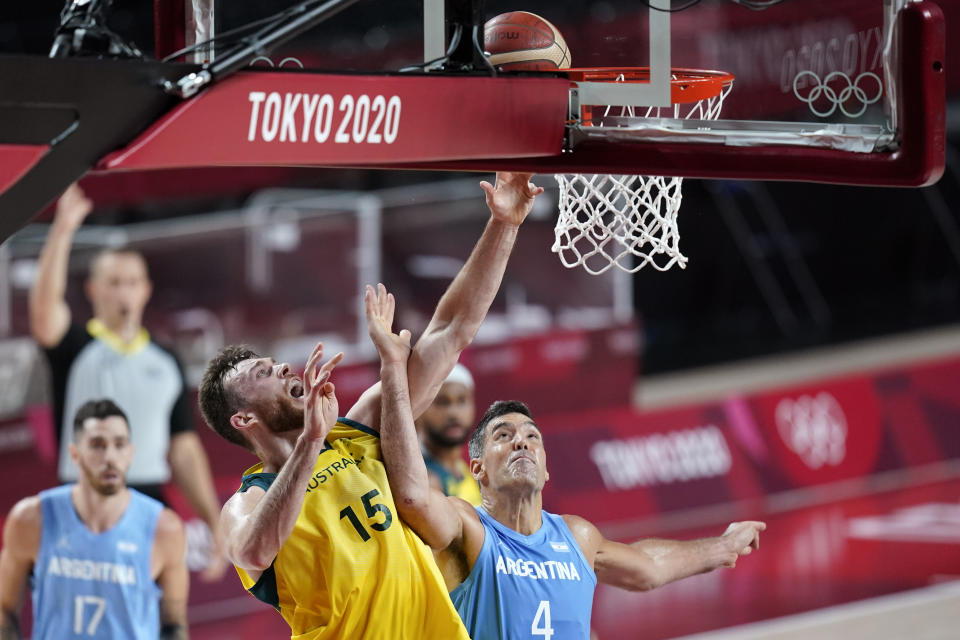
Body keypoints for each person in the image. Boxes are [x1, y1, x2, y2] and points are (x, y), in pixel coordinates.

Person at [196, 172, 543, 639]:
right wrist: (310, 443)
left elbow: (451, 330)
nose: (282, 369)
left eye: (277, 363)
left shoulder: (356, 435)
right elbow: (253, 552)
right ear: (244, 420)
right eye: (263, 374)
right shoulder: (248, 501)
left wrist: (504, 224)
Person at [365, 288, 768, 640]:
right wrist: (393, 369)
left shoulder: (577, 537)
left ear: (545, 469)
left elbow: (645, 568)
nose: (520, 440)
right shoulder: (467, 530)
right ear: (479, 470)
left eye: (531, 437)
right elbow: (415, 497)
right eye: (503, 436)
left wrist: (721, 547)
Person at [29, 183, 225, 579]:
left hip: (150, 499)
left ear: (146, 290)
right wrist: (63, 229)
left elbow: (183, 448)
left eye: (133, 281)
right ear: (93, 290)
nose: (125, 291)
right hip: (86, 498)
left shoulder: (165, 359)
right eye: (115, 281)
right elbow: (45, 314)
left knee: (160, 617)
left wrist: (214, 524)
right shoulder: (76, 346)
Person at [0, 399, 189, 640]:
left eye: (119, 444)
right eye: (97, 445)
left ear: (130, 453)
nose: (110, 456)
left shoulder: (164, 528)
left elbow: (174, 625)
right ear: (75, 454)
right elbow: (4, 609)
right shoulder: (31, 519)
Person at [418, 363, 482, 505]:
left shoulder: (469, 470)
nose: (453, 413)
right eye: (442, 402)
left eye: (461, 401)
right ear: (420, 411)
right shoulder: (424, 481)